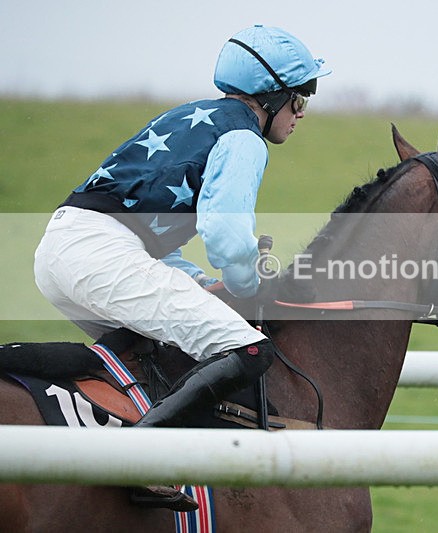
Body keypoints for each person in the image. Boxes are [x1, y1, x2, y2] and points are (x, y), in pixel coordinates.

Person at [33, 25, 331, 510]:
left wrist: (195, 282)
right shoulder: (243, 139)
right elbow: (226, 234)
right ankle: (141, 461)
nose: (302, 114)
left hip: (64, 249)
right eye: (300, 100)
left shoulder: (190, 115)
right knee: (249, 350)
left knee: (158, 354)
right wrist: (247, 286)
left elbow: (141, 222)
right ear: (272, 97)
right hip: (101, 254)